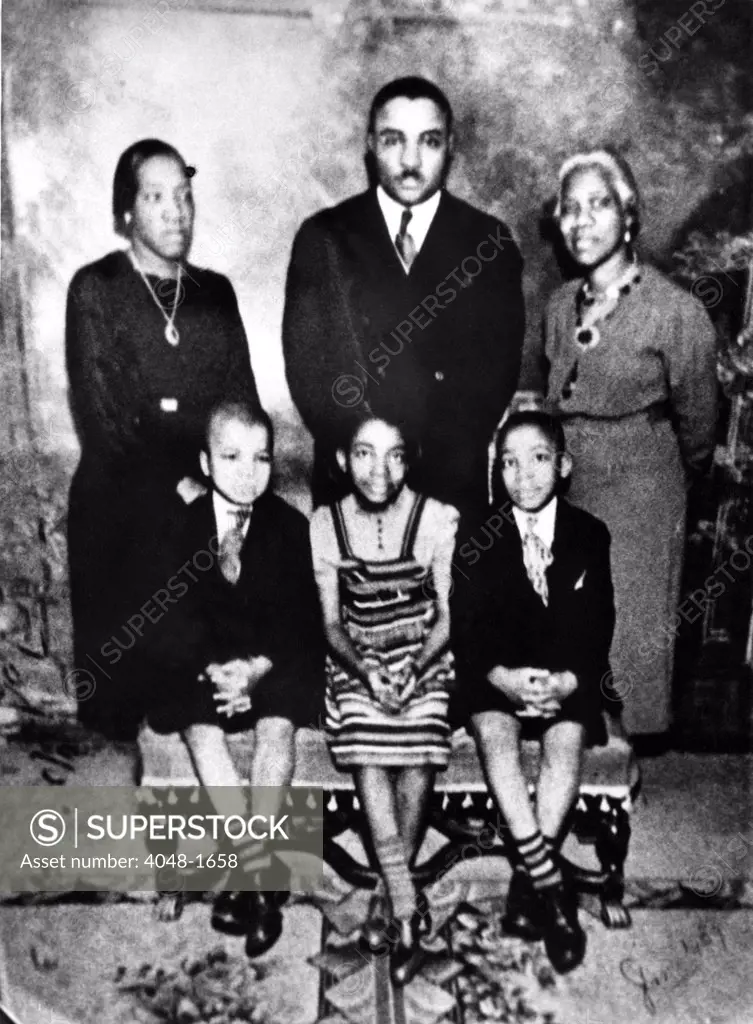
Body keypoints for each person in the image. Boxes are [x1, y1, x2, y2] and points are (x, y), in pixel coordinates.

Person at [66, 138, 259, 740]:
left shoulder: (216, 293)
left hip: (206, 484)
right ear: (126, 212)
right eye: (156, 197)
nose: (177, 211)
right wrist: (184, 484)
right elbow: (108, 422)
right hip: (122, 494)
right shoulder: (96, 288)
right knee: (154, 525)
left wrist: (220, 484)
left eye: (184, 195)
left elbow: (241, 406)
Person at [283, 76, 525, 513]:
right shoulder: (323, 237)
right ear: (371, 143)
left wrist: (424, 456)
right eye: (394, 140)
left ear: (450, 146)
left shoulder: (489, 243)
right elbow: (307, 368)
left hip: (449, 492)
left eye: (428, 142)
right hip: (351, 490)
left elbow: (495, 376)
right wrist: (370, 456)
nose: (410, 160)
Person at [541, 149, 717, 738]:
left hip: (643, 486)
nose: (582, 221)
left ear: (629, 215)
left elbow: (698, 424)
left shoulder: (677, 312)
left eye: (599, 204)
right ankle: (575, 748)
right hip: (566, 483)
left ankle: (622, 762)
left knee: (630, 631)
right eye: (570, 208)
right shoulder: (558, 306)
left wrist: (668, 479)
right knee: (567, 620)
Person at [138, 398, 324, 957]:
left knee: (278, 726)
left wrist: (257, 668)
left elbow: (300, 619)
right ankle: (259, 873)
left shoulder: (291, 529)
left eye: (261, 458)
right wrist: (214, 670)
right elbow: (170, 615)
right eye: (232, 456)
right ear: (205, 461)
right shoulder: (181, 528)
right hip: (204, 667)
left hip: (270, 662)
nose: (249, 472)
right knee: (199, 727)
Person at [451, 410, 616, 974]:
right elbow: (465, 623)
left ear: (564, 465)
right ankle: (552, 889)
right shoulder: (477, 533)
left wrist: (568, 681)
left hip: (565, 673)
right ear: (497, 471)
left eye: (539, 459)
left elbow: (599, 623)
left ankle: (527, 880)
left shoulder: (590, 534)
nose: (524, 476)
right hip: (495, 674)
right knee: (496, 738)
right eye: (510, 464)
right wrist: (503, 679)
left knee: (564, 745)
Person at [309, 414, 458, 986]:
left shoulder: (436, 518)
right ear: (343, 460)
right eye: (365, 454)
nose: (379, 469)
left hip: (424, 656)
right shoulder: (325, 524)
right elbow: (331, 624)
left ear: (408, 460)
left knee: (419, 750)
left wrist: (416, 669)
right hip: (357, 661)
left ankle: (386, 893)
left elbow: (446, 619)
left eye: (394, 455)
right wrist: (368, 674)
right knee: (370, 751)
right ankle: (404, 900)